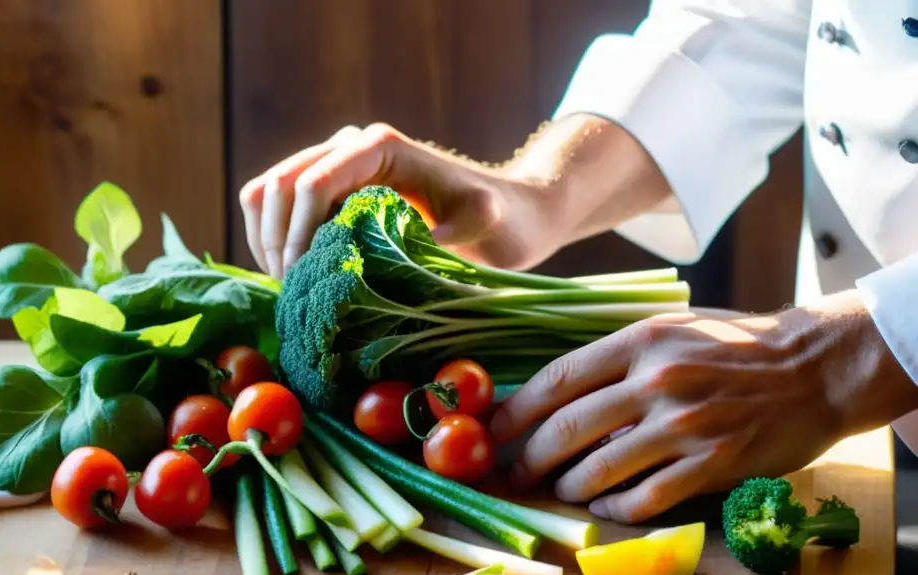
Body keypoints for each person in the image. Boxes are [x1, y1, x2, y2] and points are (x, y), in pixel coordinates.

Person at [238, 1, 918, 525]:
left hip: (831, 398)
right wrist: (533, 197)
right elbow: (743, 22)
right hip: (846, 454)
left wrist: (842, 360)